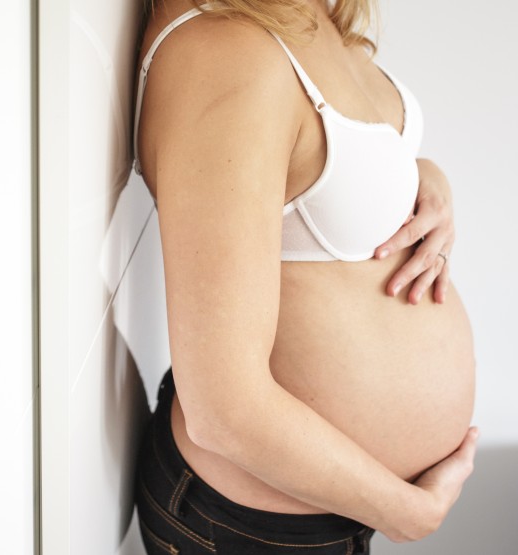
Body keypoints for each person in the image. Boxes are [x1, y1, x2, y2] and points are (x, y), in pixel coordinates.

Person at [131, 0, 477, 553]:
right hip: (256, 527)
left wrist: (422, 179)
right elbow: (223, 409)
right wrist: (404, 511)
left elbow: (316, 170)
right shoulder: (226, 50)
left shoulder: (303, 16)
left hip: (329, 504)